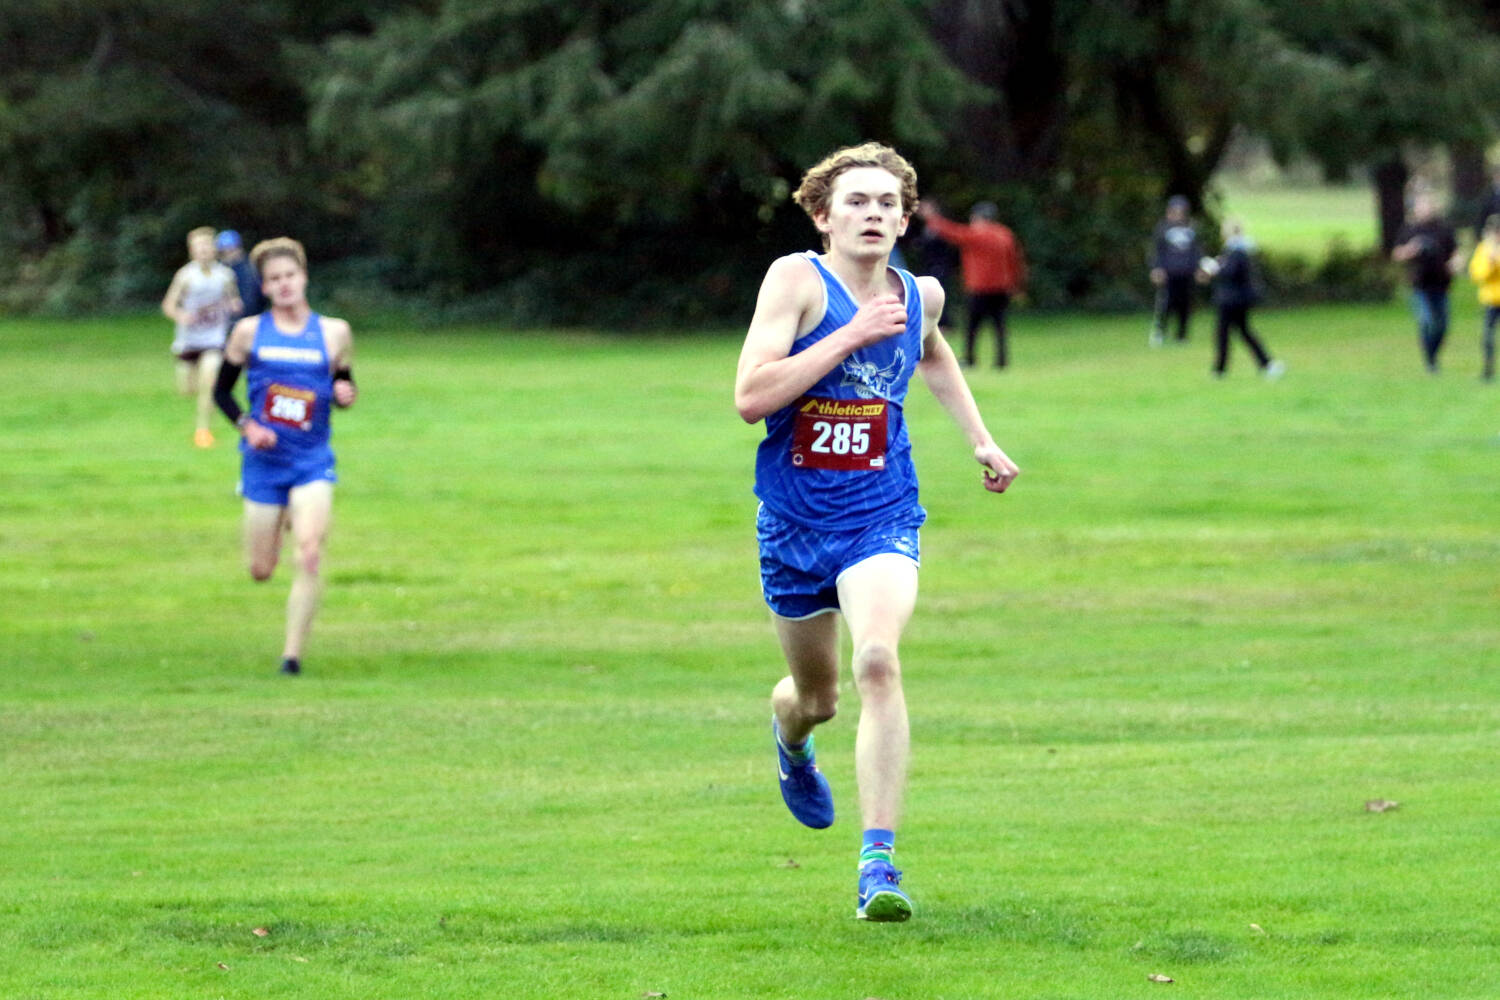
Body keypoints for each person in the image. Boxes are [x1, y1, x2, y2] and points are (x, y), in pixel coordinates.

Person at [734, 142, 1020, 922]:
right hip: (792, 523)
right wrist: (850, 334)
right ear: (824, 216)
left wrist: (979, 439)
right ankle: (790, 736)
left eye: (888, 204)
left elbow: (933, 355)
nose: (874, 214)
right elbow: (751, 398)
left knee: (879, 661)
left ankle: (878, 866)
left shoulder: (918, 294)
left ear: (903, 220)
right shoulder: (796, 281)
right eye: (857, 202)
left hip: (881, 513)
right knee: (818, 698)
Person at [212, 237, 357, 676]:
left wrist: (346, 395)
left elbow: (344, 385)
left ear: (304, 277)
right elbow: (221, 391)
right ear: (265, 287)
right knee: (261, 569)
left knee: (310, 553)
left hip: (312, 460)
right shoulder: (248, 332)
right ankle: (281, 521)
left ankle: (291, 656)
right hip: (264, 464)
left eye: (290, 276)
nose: (284, 285)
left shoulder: (334, 332)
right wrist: (248, 426)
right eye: (274, 279)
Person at [916, 199, 1026, 368]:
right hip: (1001, 288)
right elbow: (1015, 261)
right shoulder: (1005, 234)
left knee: (972, 326)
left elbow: (952, 232)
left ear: (977, 218)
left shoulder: (976, 234)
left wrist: (932, 218)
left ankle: (970, 358)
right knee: (1000, 326)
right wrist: (1016, 285)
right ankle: (1002, 361)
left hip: (980, 288)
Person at [161, 227, 240, 448]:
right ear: (192, 251)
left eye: (208, 245)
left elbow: (234, 299)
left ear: (214, 249)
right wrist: (181, 315)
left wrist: (234, 305)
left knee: (210, 382)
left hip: (214, 340)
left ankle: (203, 431)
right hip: (188, 341)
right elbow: (168, 305)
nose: (204, 250)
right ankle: (199, 415)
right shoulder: (185, 276)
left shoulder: (225, 276)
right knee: (187, 390)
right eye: (199, 246)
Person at [1392, 193, 1463, 373]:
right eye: (1422, 206)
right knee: (1427, 321)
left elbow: (1456, 253)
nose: (1426, 209)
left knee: (1442, 325)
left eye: (1428, 205)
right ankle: (1430, 361)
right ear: (1415, 209)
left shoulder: (1444, 229)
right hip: (1419, 285)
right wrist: (1411, 249)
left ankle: (1433, 355)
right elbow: (1397, 254)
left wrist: (1455, 264)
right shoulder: (1409, 230)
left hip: (1442, 284)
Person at [1210, 219, 1285, 380]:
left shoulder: (1236, 251)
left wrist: (1216, 268)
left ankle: (1220, 370)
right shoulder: (1241, 250)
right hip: (1236, 299)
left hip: (1231, 300)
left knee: (1224, 333)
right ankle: (1266, 363)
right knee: (1244, 332)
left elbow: (1231, 273)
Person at [1148, 195, 1205, 345]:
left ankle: (1182, 334)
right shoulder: (1163, 228)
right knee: (1166, 303)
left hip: (1186, 272)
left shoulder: (1192, 228)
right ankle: (1160, 331)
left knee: (1185, 304)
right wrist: (1156, 268)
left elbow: (1197, 251)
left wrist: (1200, 268)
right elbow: (1157, 251)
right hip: (1169, 272)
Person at [1467, 214, 1500, 381]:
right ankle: (1488, 368)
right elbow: (1477, 274)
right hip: (1491, 300)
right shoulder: (1484, 249)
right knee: (1488, 336)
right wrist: (1490, 264)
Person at [217, 229, 267, 324]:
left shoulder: (250, 268)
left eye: (231, 250)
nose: (228, 254)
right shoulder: (217, 270)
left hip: (251, 319)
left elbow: (257, 297)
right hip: (223, 323)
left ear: (238, 248)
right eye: (224, 252)